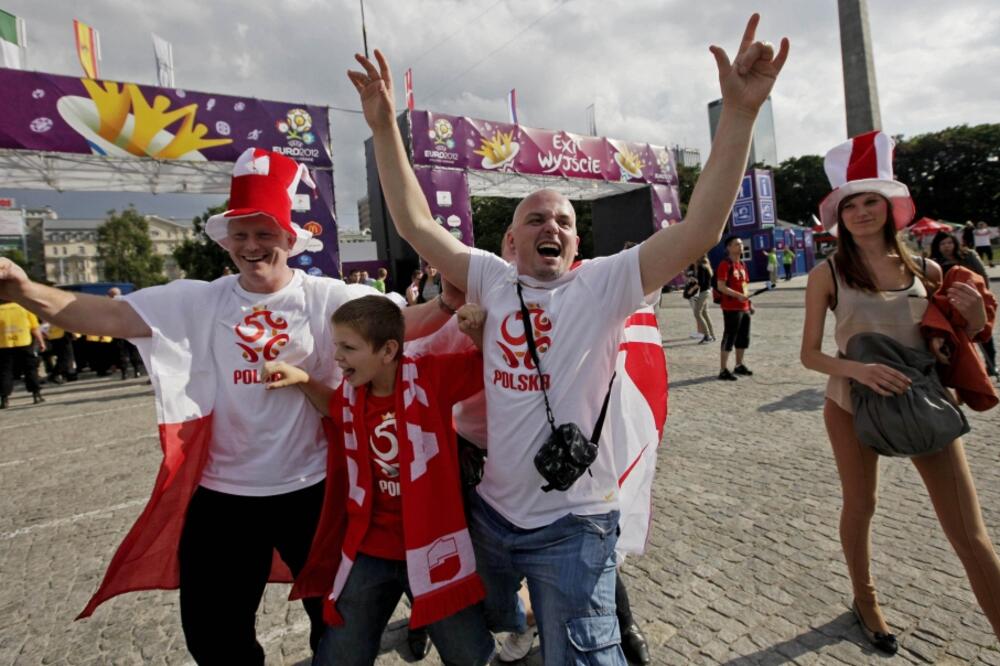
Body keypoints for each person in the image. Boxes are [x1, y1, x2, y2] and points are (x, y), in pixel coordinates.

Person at [347, 16, 787, 661]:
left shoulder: (608, 285)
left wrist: (741, 116)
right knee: (496, 621)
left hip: (575, 526)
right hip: (491, 519)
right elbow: (415, 222)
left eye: (563, 220)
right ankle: (516, 626)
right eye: (535, 218)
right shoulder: (492, 281)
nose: (549, 225)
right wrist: (384, 123)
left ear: (577, 243)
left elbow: (699, 228)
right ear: (511, 239)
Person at [0, 148, 459, 665]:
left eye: (265, 234)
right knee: (212, 634)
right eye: (240, 234)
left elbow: (399, 328)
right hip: (223, 496)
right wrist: (24, 289)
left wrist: (449, 304)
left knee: (334, 621)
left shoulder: (327, 297)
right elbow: (106, 314)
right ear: (226, 241)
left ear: (290, 239)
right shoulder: (201, 299)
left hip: (312, 492)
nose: (252, 246)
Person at [801, 130, 1000, 654]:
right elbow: (808, 356)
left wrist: (979, 321)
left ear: (891, 208)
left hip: (922, 403)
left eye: (873, 201)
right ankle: (864, 599)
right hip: (850, 404)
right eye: (852, 204)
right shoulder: (827, 274)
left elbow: (954, 340)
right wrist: (857, 372)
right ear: (839, 215)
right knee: (861, 503)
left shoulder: (927, 270)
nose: (863, 212)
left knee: (971, 536)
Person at [263, 295, 495, 666]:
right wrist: (304, 379)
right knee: (341, 653)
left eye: (348, 347)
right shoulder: (353, 395)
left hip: (434, 547)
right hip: (371, 548)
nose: (337, 357)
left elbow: (487, 364)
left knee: (468, 654)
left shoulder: (431, 376)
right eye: (337, 345)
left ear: (388, 350)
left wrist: (480, 331)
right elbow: (335, 409)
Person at [930, 230, 997, 378]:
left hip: (973, 301)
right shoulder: (934, 263)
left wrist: (982, 297)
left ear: (955, 243)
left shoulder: (968, 256)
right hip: (948, 306)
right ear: (937, 246)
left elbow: (982, 276)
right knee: (957, 340)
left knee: (984, 333)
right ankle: (962, 372)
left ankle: (991, 366)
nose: (947, 246)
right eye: (942, 243)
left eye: (949, 242)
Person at [716, 236, 753, 380]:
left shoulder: (742, 265)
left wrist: (749, 303)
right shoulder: (725, 265)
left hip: (744, 307)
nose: (741, 246)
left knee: (743, 338)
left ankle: (739, 365)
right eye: (737, 244)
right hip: (731, 308)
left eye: (741, 244)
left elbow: (745, 286)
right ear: (729, 248)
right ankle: (723, 369)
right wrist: (738, 295)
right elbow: (721, 286)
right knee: (729, 337)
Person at [0, 298, 46, 408]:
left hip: (4, 345)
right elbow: (35, 328)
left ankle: (4, 398)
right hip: (24, 342)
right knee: (30, 369)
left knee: (5, 372)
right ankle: (36, 394)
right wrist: (41, 342)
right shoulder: (25, 308)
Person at [691, 255, 715, 344]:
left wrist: (692, 289)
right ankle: (712, 335)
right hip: (707, 291)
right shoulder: (707, 266)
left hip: (703, 292)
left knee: (697, 313)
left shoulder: (701, 267)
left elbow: (701, 282)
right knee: (705, 314)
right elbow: (704, 280)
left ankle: (707, 336)